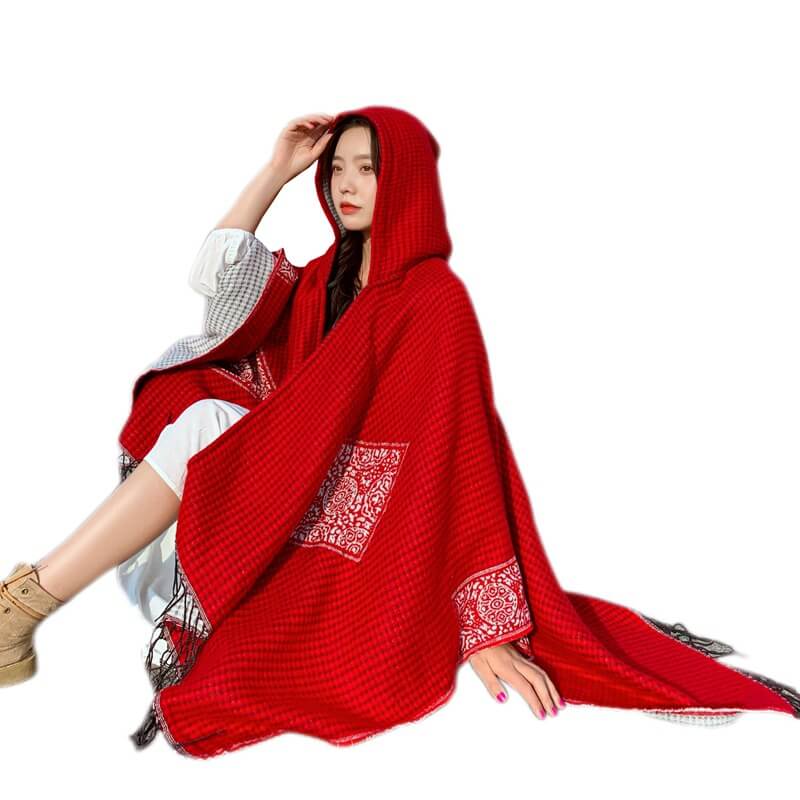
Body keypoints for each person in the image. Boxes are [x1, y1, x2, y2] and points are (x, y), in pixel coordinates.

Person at [0, 111, 564, 723]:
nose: (346, 184)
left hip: (368, 521)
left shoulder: (432, 298)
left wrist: (485, 630)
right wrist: (276, 172)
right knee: (201, 414)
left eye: (367, 169)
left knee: (207, 426)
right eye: (337, 168)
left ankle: (22, 609)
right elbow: (217, 279)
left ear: (405, 181)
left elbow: (463, 449)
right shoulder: (323, 280)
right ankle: (24, 607)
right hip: (289, 482)